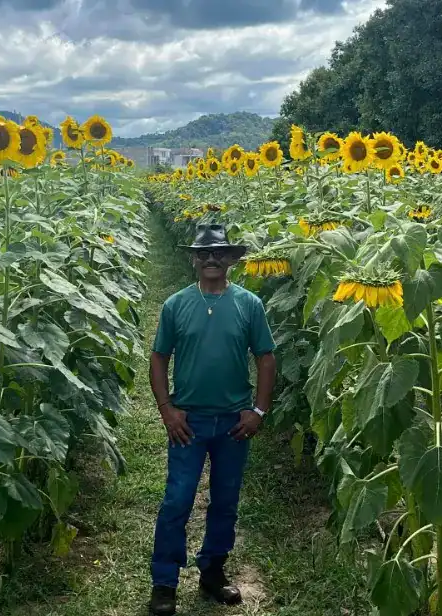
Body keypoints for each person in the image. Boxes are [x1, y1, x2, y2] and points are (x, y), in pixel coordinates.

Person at [148, 223, 277, 616]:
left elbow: (266, 357)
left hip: (233, 424)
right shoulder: (176, 304)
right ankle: (164, 582)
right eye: (203, 253)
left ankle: (213, 572)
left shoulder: (248, 304)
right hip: (189, 422)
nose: (210, 259)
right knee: (178, 499)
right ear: (193, 259)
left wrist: (258, 410)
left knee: (225, 500)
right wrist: (167, 409)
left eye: (219, 253)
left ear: (232, 259)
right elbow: (158, 357)